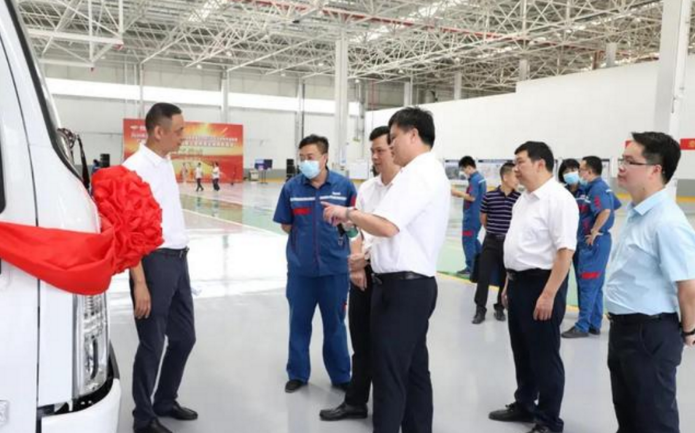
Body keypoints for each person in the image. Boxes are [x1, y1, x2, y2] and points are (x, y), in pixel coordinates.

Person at [323, 107, 450, 433]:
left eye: (393, 139)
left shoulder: (417, 174)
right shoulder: (426, 171)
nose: (390, 147)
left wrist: (348, 213)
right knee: (414, 370)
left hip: (402, 289)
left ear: (413, 134)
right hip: (410, 285)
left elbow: (386, 225)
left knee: (389, 374)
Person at [605, 132, 695, 433]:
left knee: (653, 420)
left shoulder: (666, 222)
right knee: (629, 415)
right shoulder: (637, 213)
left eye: (630, 161)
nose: (621, 167)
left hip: (649, 334)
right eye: (622, 159)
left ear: (655, 170)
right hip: (624, 330)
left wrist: (689, 330)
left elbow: (688, 286)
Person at [489, 141, 578, 433]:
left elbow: (565, 252)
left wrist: (549, 294)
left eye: (520, 162)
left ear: (540, 164)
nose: (515, 168)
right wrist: (507, 284)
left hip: (542, 284)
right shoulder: (524, 199)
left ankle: (549, 420)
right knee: (522, 350)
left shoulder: (558, 200)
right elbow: (516, 246)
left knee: (544, 355)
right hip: (517, 283)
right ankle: (525, 404)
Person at [123, 103, 198, 433]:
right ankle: (143, 417)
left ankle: (165, 400)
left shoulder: (165, 162)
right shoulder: (134, 170)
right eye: (179, 131)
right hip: (153, 264)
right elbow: (125, 231)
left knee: (184, 338)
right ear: (158, 131)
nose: (183, 137)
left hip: (179, 260)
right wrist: (139, 281)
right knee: (152, 343)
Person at [319, 126, 401, 422]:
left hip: (391, 274)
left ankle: (389, 410)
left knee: (387, 347)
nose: (375, 157)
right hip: (363, 270)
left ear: (395, 149)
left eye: (380, 150)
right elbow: (354, 227)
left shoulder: (406, 189)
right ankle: (355, 402)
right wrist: (356, 262)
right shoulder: (367, 188)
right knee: (361, 342)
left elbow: (390, 231)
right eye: (372, 151)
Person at [273, 134, 356, 394]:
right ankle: (298, 374)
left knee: (335, 325)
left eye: (310, 157)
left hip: (335, 270)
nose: (305, 162)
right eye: (301, 158)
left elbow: (355, 223)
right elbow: (286, 224)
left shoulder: (344, 187)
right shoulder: (291, 188)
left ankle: (341, 375)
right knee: (298, 324)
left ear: (324, 157)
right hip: (301, 271)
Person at [562, 156, 618, 338]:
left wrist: (595, 230)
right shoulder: (595, 188)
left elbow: (606, 210)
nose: (578, 173)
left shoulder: (597, 188)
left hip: (594, 243)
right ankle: (594, 322)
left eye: (581, 169)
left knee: (587, 284)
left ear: (590, 171)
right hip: (596, 242)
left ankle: (583, 325)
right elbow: (614, 204)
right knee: (596, 284)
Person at [471, 162, 520, 324]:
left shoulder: (519, 199)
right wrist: (493, 231)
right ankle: (480, 309)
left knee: (504, 277)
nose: (518, 179)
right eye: (515, 176)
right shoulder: (489, 196)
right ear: (505, 177)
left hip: (508, 244)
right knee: (483, 276)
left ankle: (500, 307)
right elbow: (483, 218)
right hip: (490, 242)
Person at [451, 156, 486, 276]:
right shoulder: (480, 178)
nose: (464, 172)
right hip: (477, 215)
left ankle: (471, 268)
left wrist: (457, 192)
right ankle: (481, 266)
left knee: (468, 241)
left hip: (471, 217)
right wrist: (461, 194)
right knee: (473, 240)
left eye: (464, 169)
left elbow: (472, 197)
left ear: (469, 167)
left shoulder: (475, 180)